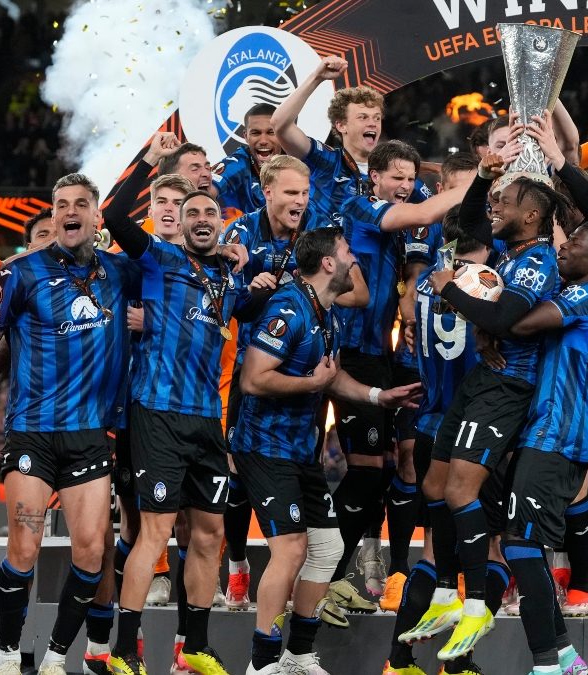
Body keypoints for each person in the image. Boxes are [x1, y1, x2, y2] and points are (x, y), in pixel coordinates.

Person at [101, 166, 272, 675]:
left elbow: (251, 304)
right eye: (189, 211)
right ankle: (124, 650)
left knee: (209, 534)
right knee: (155, 532)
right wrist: (148, 164)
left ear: (221, 223)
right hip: (156, 412)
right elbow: (115, 216)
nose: (199, 218)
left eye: (208, 213)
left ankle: (194, 646)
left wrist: (257, 273)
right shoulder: (161, 257)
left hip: (205, 420)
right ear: (178, 219)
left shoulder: (227, 278)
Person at [401, 149, 565, 661]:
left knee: (459, 490)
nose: (495, 207)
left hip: (508, 389)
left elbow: (502, 319)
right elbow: (466, 221)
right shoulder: (509, 252)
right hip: (482, 379)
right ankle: (445, 594)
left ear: (531, 215)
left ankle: (475, 605)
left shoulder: (537, 261)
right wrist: (483, 179)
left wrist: (451, 291)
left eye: (505, 202)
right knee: (433, 485)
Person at [235, 226, 421, 675]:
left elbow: (332, 378)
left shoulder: (327, 312)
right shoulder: (288, 309)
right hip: (265, 447)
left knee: (327, 547)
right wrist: (311, 383)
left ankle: (298, 655)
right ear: (328, 263)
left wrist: (378, 396)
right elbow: (253, 379)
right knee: (291, 550)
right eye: (347, 251)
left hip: (301, 451)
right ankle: (261, 663)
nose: (355, 259)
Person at [0, 173, 138, 675]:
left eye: (80, 204)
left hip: (89, 435)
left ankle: (55, 657)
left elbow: (172, 268)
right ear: (53, 216)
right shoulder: (21, 273)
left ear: (97, 216)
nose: (70, 211)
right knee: (24, 547)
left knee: (92, 552)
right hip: (32, 431)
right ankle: (9, 655)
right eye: (61, 205)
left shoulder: (120, 272)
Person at [322, 139, 471, 617]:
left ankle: (389, 572)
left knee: (393, 467)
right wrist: (480, 181)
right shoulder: (362, 207)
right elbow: (421, 217)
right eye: (396, 178)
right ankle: (324, 576)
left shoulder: (423, 221)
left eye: (410, 178)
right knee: (367, 472)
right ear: (375, 177)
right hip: (351, 352)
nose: (405, 185)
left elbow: (413, 270)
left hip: (388, 356)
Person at [221, 155, 368, 614]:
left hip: (304, 375)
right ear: (266, 192)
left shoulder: (318, 236)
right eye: (290, 192)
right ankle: (238, 565)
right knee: (239, 479)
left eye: (305, 193)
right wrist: (252, 286)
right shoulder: (241, 233)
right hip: (256, 374)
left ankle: (295, 635)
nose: (300, 201)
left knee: (306, 495)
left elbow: (359, 294)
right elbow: (222, 296)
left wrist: (308, 283)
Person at [503, 219, 588, 675]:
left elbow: (520, 323)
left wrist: (479, 293)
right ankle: (563, 655)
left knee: (520, 543)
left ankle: (546, 664)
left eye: (575, 243)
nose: (564, 247)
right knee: (524, 542)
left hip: (557, 431)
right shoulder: (587, 293)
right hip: (557, 431)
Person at [384, 210, 500, 675]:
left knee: (435, 551)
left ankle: (398, 661)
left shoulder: (429, 281)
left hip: (432, 425)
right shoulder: (487, 281)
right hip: (474, 430)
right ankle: (460, 663)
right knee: (492, 549)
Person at [378, 152, 480, 614]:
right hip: (435, 380)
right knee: (416, 469)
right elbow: (415, 280)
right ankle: (407, 573)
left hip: (457, 389)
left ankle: (451, 579)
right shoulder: (438, 240)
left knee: (455, 491)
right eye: (463, 188)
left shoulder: (485, 243)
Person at [271, 56, 429, 225]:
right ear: (341, 125)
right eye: (363, 117)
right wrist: (316, 78)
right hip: (323, 241)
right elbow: (279, 124)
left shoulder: (398, 174)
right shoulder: (326, 161)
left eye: (377, 118)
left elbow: (436, 215)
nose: (372, 123)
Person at [214, 103, 284, 221]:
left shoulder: (298, 161)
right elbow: (204, 191)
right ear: (246, 136)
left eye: (271, 132)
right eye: (256, 133)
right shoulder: (238, 163)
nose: (263, 141)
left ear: (282, 133)